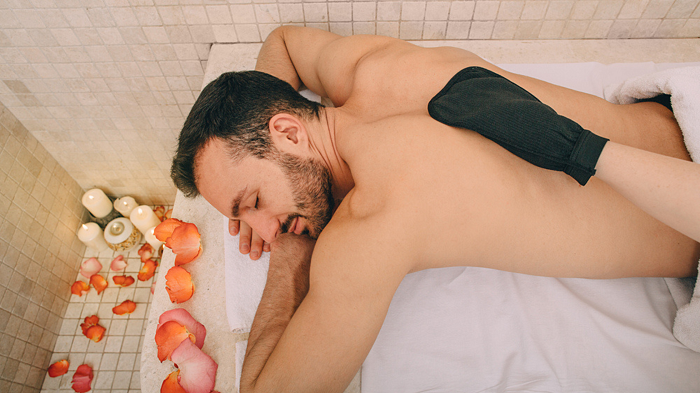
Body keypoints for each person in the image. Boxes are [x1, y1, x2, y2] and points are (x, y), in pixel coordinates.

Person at [170, 26, 700, 393]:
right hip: (680, 122)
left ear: (287, 130)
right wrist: (274, 159)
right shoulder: (369, 69)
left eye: (254, 203)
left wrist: (291, 251)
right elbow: (282, 41)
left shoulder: (373, 223)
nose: (262, 231)